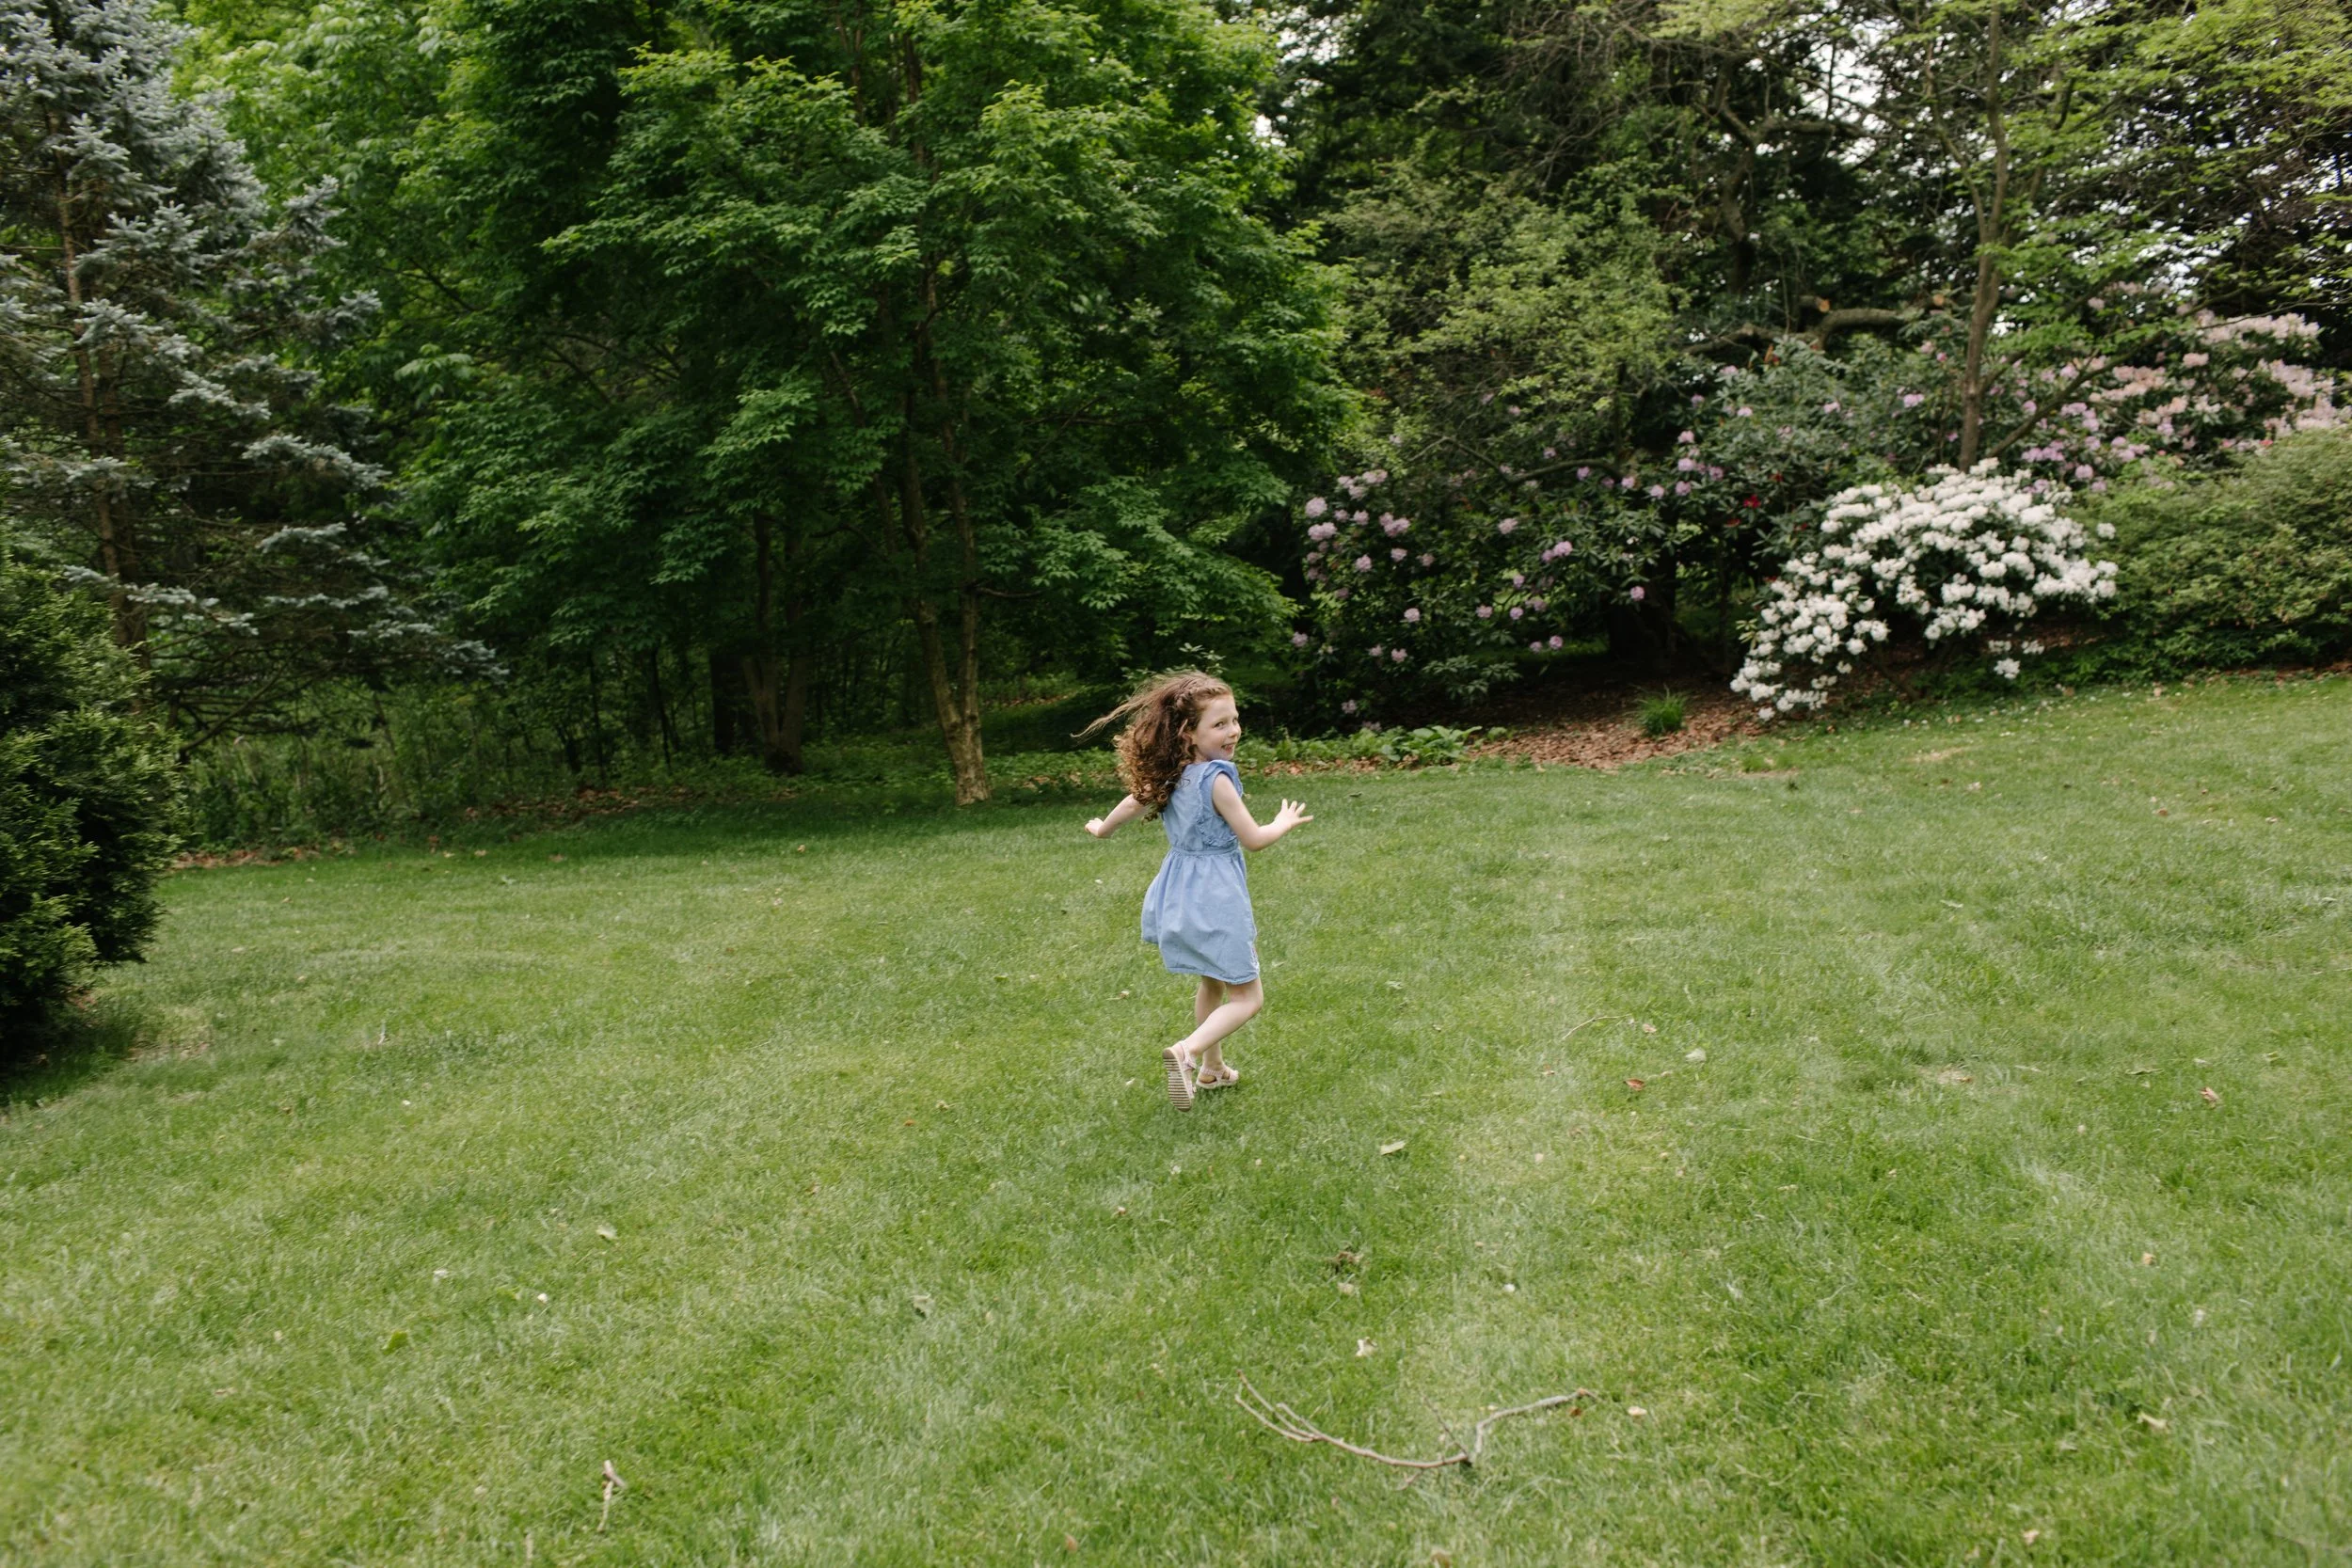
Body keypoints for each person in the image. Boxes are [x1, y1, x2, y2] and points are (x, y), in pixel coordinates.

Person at [1081, 672, 1312, 1110]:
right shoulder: (1216, 779)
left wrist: (1102, 829)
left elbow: (1133, 801)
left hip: (1179, 895)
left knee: (1212, 980)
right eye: (1220, 724)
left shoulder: (1170, 773)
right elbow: (1254, 839)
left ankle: (1213, 1069)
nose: (1234, 731)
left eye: (1235, 720)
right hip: (1216, 897)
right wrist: (1280, 823)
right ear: (1188, 732)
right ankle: (1187, 1053)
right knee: (1248, 996)